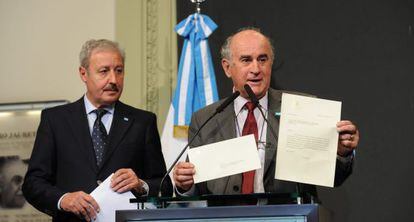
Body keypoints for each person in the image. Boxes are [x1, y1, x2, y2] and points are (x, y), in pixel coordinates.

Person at [173, 28, 359, 200]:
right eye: (246, 60)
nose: (256, 69)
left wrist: (342, 153)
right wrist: (184, 185)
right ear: (227, 67)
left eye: (262, 59)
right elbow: (195, 190)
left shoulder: (302, 109)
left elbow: (333, 177)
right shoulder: (205, 119)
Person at [22, 39, 173, 221]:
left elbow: (165, 186)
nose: (113, 80)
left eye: (119, 71)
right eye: (104, 71)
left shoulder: (143, 122)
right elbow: (33, 184)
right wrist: (64, 199)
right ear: (83, 73)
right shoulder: (55, 120)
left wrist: (141, 185)